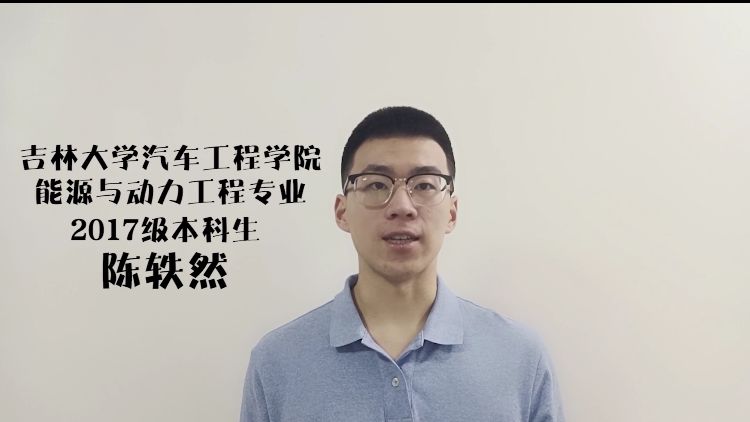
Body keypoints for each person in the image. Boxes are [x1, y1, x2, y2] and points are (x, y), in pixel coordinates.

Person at [240, 106, 565, 421]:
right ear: (342, 212)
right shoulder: (277, 362)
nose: (402, 206)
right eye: (376, 184)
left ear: (452, 213)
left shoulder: (520, 358)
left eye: (424, 185)